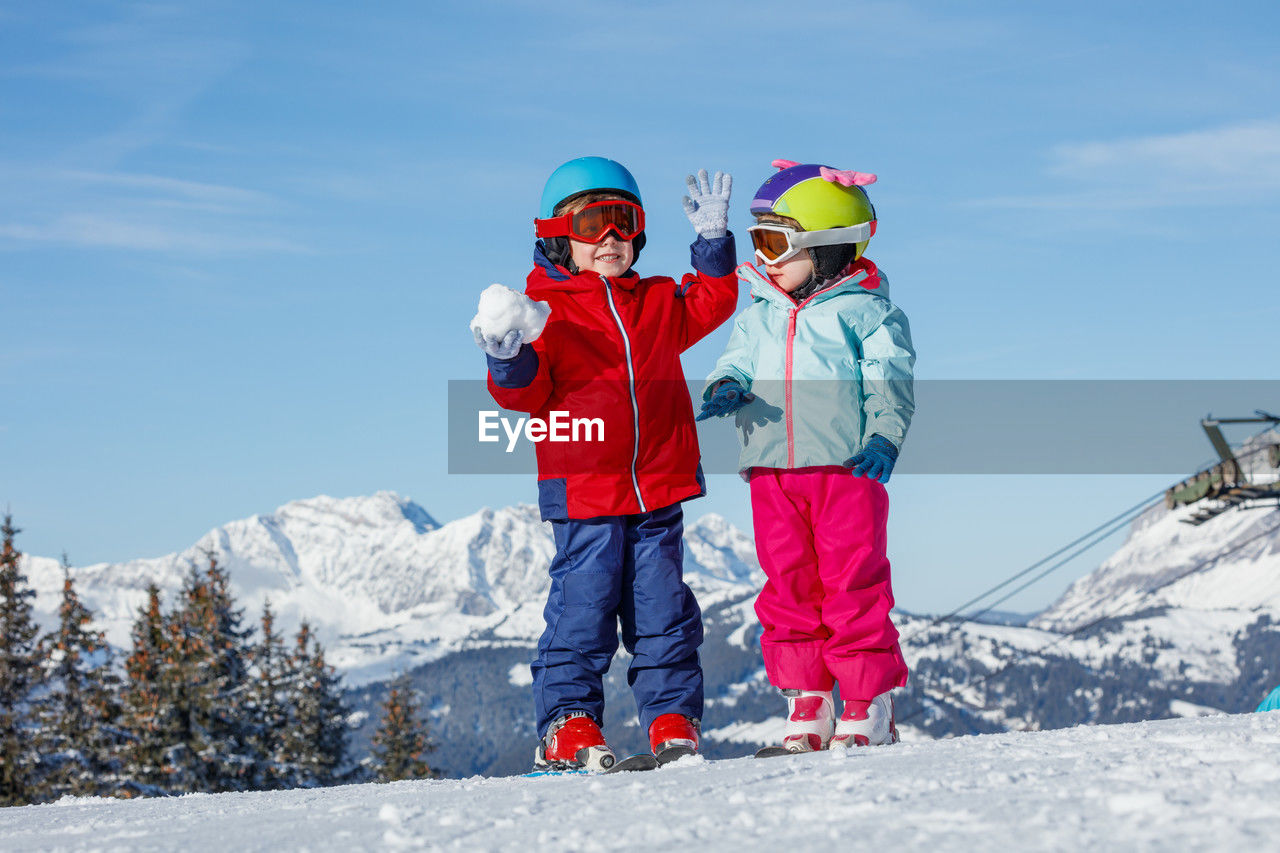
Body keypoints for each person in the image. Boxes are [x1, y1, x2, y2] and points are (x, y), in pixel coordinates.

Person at [472, 157, 738, 770]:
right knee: (583, 610)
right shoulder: (541, 310)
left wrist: (713, 243)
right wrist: (508, 355)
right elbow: (521, 396)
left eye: (623, 220)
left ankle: (672, 717)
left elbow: (716, 298)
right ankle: (568, 722)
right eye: (593, 223)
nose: (610, 238)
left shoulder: (656, 301)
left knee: (663, 609)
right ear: (558, 235)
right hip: (586, 492)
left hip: (658, 488)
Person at [698, 160, 915, 751]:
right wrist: (727, 384)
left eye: (776, 241)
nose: (764, 256)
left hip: (845, 467)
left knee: (853, 583)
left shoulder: (868, 313)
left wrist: (883, 438)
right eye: (757, 241)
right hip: (770, 469)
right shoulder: (759, 313)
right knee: (787, 585)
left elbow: (888, 383)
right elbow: (735, 360)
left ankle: (868, 701)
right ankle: (808, 699)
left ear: (826, 248)